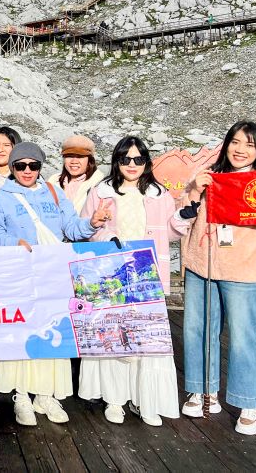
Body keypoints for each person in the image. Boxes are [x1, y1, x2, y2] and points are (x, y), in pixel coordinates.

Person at [178, 121, 256, 435]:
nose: (240, 150)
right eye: (235, 141)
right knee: (197, 331)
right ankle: (202, 390)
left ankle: (251, 403)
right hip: (201, 268)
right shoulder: (208, 177)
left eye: (249, 144)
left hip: (243, 272)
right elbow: (180, 216)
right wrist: (192, 191)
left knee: (246, 337)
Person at [0, 142, 110, 427]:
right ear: (12, 169)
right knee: (23, 332)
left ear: (40, 167)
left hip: (52, 275)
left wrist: (93, 223)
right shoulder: (2, 198)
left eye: (33, 165)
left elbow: (71, 227)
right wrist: (13, 244)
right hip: (18, 274)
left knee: (51, 330)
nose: (27, 171)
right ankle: (22, 396)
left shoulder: (54, 193)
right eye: (20, 166)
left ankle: (46, 394)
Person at [78, 136, 186, 426]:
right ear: (117, 162)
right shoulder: (100, 192)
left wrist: (184, 217)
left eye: (138, 159)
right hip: (112, 272)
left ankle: (143, 398)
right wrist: (104, 233)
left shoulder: (159, 194)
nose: (132, 165)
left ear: (146, 162)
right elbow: (86, 230)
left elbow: (170, 233)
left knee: (146, 340)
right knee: (113, 337)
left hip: (146, 271)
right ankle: (114, 399)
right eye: (126, 159)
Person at [48, 135, 105, 213]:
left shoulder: (99, 183)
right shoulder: (53, 180)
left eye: (80, 156)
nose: (74, 161)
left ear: (89, 160)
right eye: (69, 156)